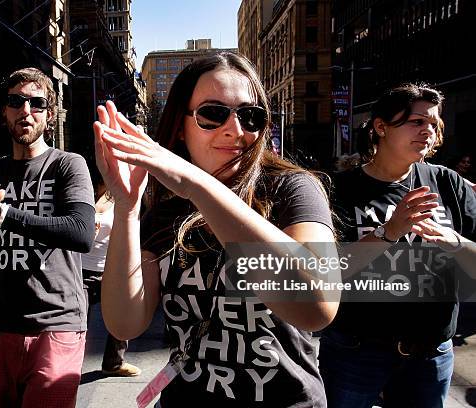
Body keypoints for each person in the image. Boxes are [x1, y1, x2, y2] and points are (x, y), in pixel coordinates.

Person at [93, 52, 339, 406]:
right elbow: (124, 323)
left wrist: (195, 184)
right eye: (213, 113)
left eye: (251, 116)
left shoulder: (292, 189)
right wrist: (128, 206)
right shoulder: (167, 209)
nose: (235, 130)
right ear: (180, 125)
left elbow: (318, 306)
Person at [0, 67, 95, 408]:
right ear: (4, 111)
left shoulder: (67, 165)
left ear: (49, 114)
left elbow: (80, 232)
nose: (25, 111)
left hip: (56, 323)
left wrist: (4, 216)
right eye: (16, 101)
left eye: (36, 103)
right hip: (1, 327)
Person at [319, 83, 476, 408]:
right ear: (381, 127)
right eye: (417, 122)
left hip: (431, 354)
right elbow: (326, 273)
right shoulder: (337, 190)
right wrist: (388, 232)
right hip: (355, 353)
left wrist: (455, 242)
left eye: (434, 124)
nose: (427, 132)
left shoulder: (448, 183)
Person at [81, 177, 141, 377]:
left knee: (123, 311)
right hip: (81, 271)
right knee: (77, 322)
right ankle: (68, 363)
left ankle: (114, 362)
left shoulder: (121, 198)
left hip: (110, 269)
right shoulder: (82, 195)